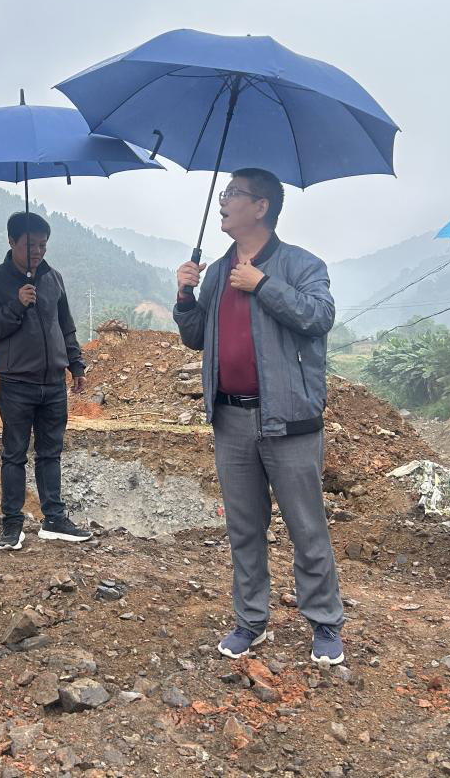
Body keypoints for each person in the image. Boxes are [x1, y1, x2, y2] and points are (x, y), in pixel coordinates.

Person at [174, 168, 345, 666]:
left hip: (289, 421)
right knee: (244, 527)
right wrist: (185, 296)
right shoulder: (219, 271)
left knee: (306, 525)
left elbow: (319, 317)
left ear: (261, 206)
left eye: (233, 193)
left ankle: (325, 621)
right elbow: (197, 337)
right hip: (231, 419)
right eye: (223, 193)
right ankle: (251, 620)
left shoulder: (301, 264)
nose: (223, 201)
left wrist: (263, 284)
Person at [0, 211, 92, 551]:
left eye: (43, 245)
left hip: (53, 383)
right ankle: (12, 524)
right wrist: (16, 304)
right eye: (31, 245)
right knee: (14, 454)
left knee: (50, 452)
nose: (38, 251)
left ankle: (54, 518)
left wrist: (76, 365)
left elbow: (65, 326)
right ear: (12, 242)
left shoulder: (53, 278)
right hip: (16, 384)